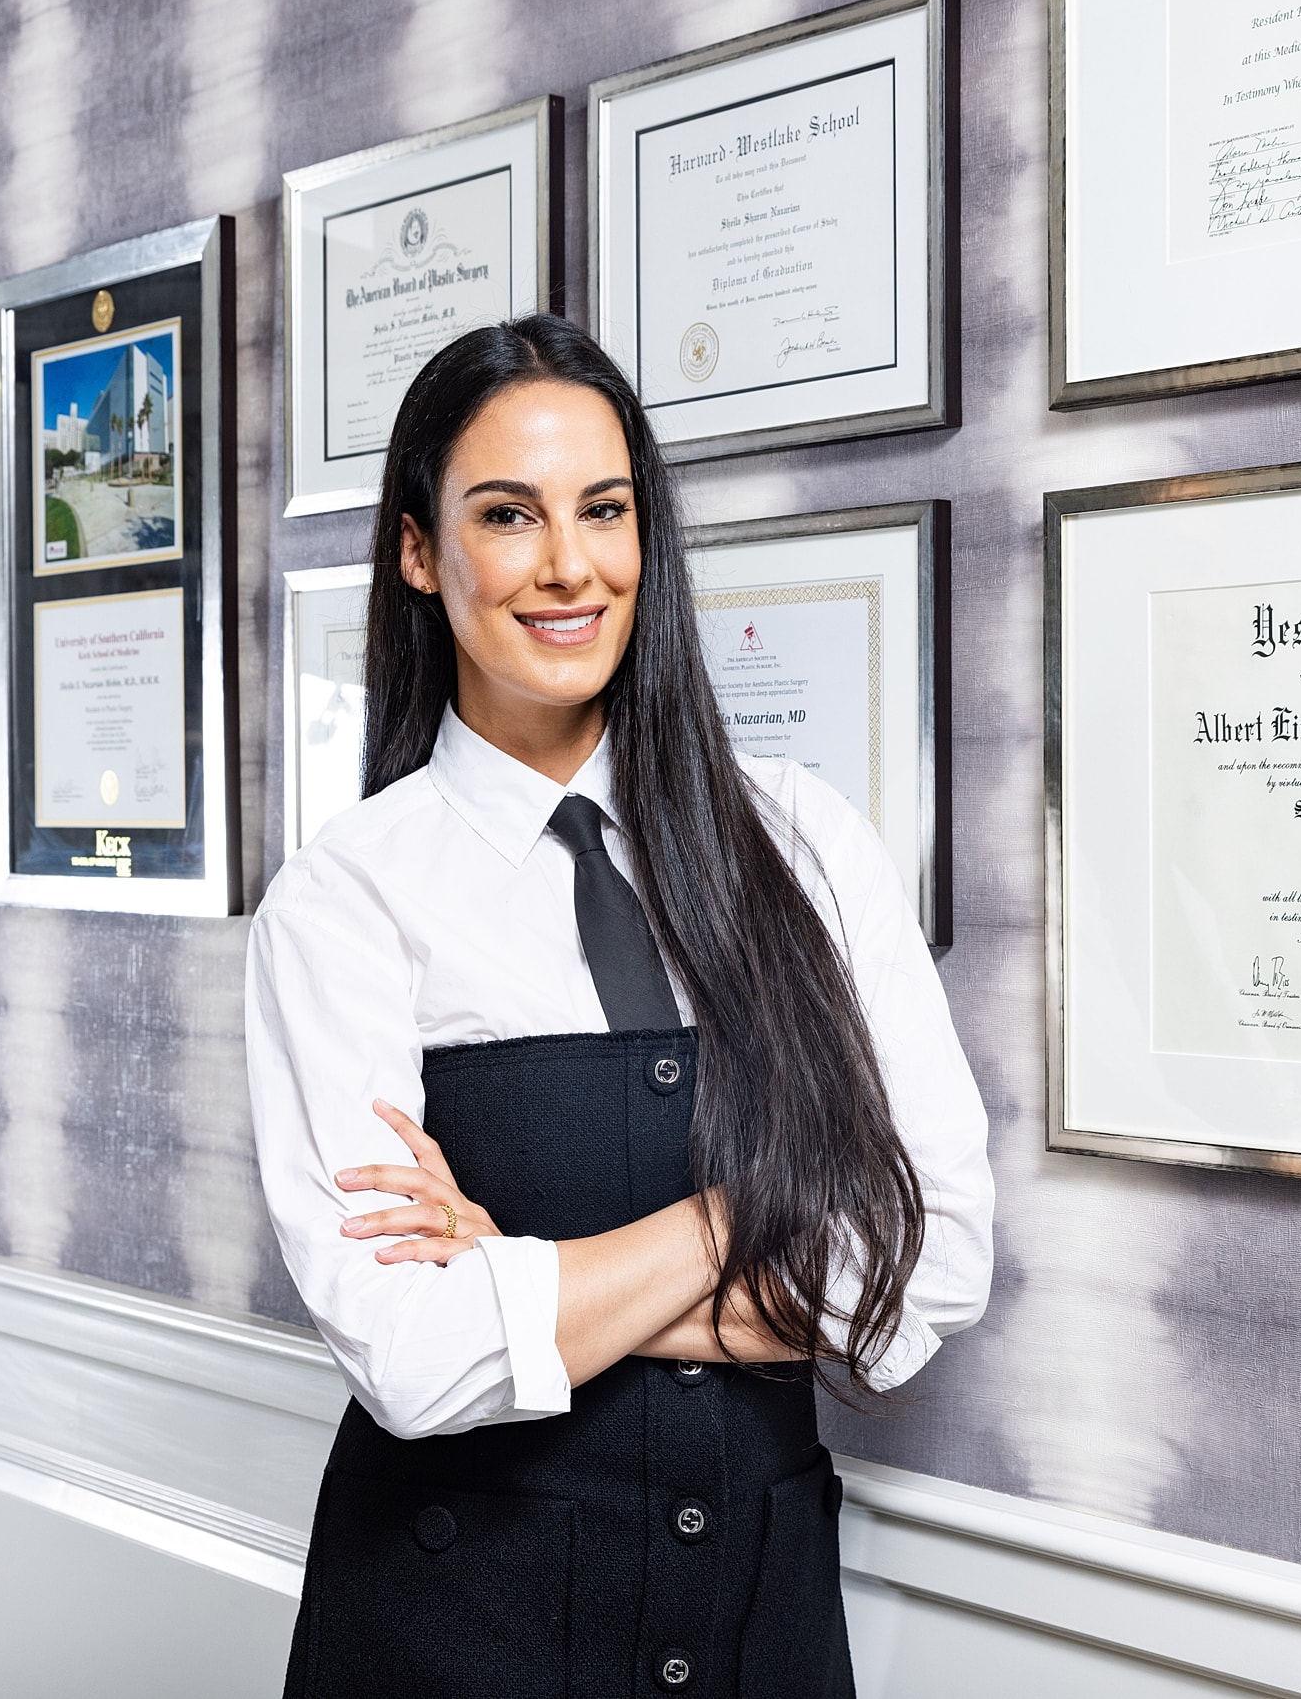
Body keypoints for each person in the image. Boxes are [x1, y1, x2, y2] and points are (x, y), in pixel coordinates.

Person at [245, 316, 994, 1698]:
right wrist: (750, 1211)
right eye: (507, 515)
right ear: (419, 552)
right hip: (452, 1634)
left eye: (604, 509)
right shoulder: (345, 899)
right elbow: (413, 1357)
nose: (568, 563)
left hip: (765, 1637)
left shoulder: (807, 844)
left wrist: (515, 1269)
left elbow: (928, 1270)